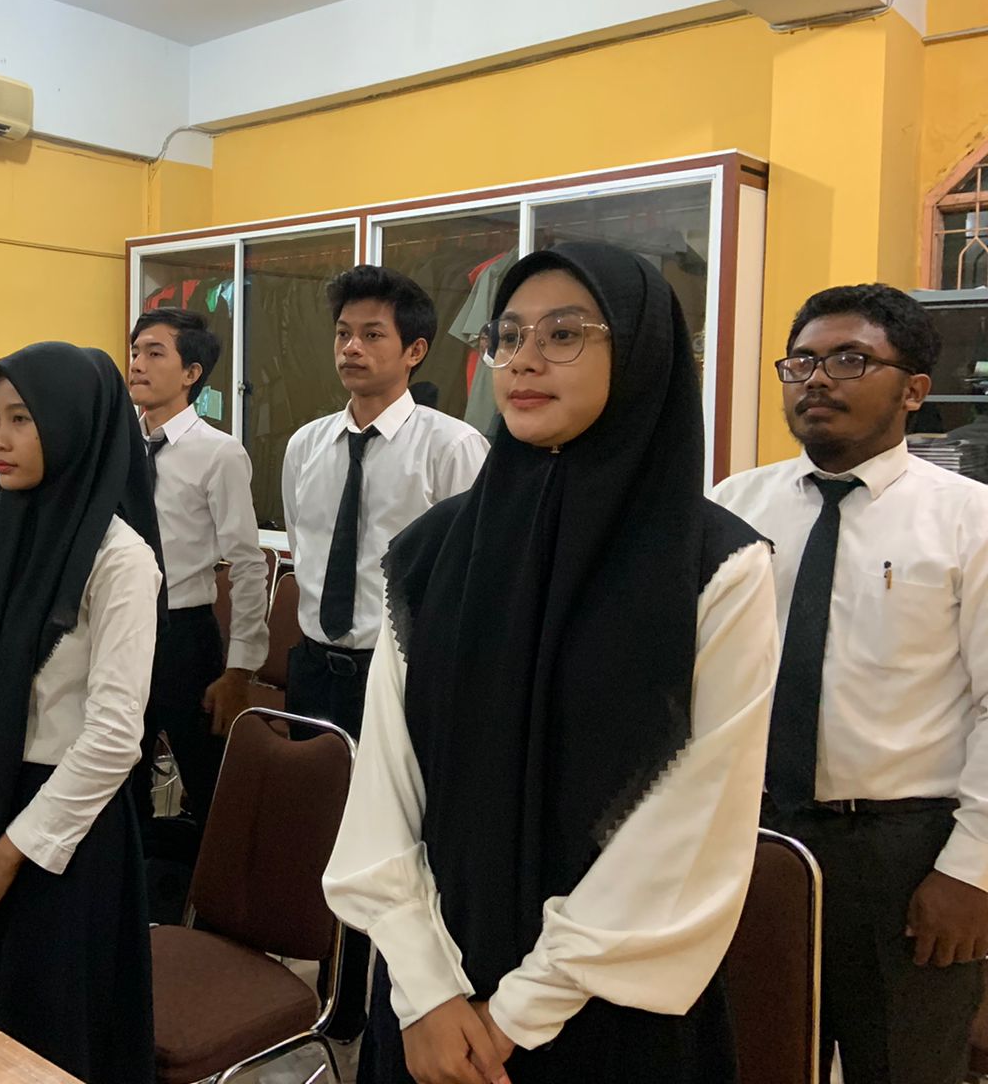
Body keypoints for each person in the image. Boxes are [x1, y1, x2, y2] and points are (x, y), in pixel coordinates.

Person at [326, 241, 779, 1084]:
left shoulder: (715, 568)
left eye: (565, 333)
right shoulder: (430, 554)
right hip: (434, 988)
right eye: (509, 335)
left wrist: (516, 1013)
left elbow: (693, 820)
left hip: (607, 1000)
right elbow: (386, 784)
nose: (525, 359)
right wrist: (426, 991)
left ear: (639, 351)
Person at [712, 284, 988, 1084]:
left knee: (905, 1067)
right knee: (751, 1059)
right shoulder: (731, 507)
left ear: (913, 390)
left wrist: (971, 872)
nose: (817, 380)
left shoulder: (967, 519)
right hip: (752, 838)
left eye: (850, 360)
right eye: (800, 362)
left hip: (904, 854)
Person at [0, 342, 160, 1084]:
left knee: (46, 1045)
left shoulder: (118, 558)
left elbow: (114, 737)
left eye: (22, 419)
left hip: (62, 838)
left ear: (72, 425)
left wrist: (8, 858)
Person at [282, 264, 489, 1041]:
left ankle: (403, 1001)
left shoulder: (452, 447)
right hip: (317, 665)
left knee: (399, 843)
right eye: (344, 334)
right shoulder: (307, 445)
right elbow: (304, 552)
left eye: (373, 335)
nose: (352, 348)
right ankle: (334, 996)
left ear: (415, 351)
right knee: (322, 831)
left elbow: (472, 576)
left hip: (401, 673)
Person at [127, 308, 268, 839]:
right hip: (124, 627)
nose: (137, 364)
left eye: (154, 352)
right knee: (121, 775)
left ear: (191, 373)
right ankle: (136, 882)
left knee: (208, 783)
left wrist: (240, 669)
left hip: (184, 636)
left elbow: (248, 564)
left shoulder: (219, 453)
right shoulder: (120, 448)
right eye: (135, 351)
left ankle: (217, 885)